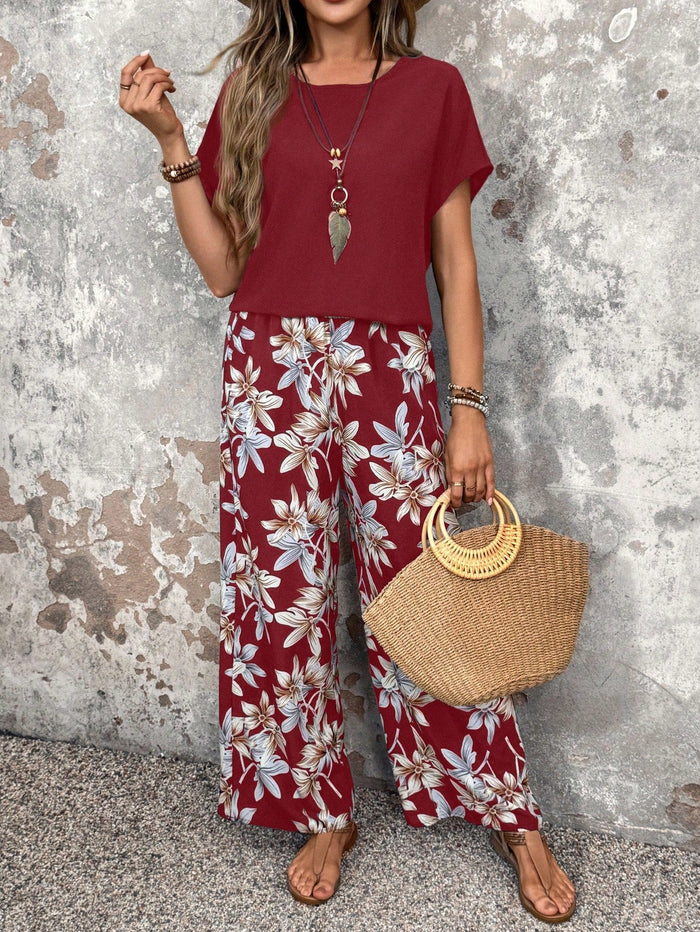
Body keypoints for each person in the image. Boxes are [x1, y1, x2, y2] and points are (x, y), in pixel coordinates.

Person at [120, 0, 576, 922]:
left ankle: (504, 805)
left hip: (390, 367)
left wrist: (468, 408)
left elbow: (456, 264)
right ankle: (320, 808)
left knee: (426, 590)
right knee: (280, 599)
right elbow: (223, 272)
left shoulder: (433, 90)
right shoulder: (252, 91)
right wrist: (170, 140)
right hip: (268, 369)